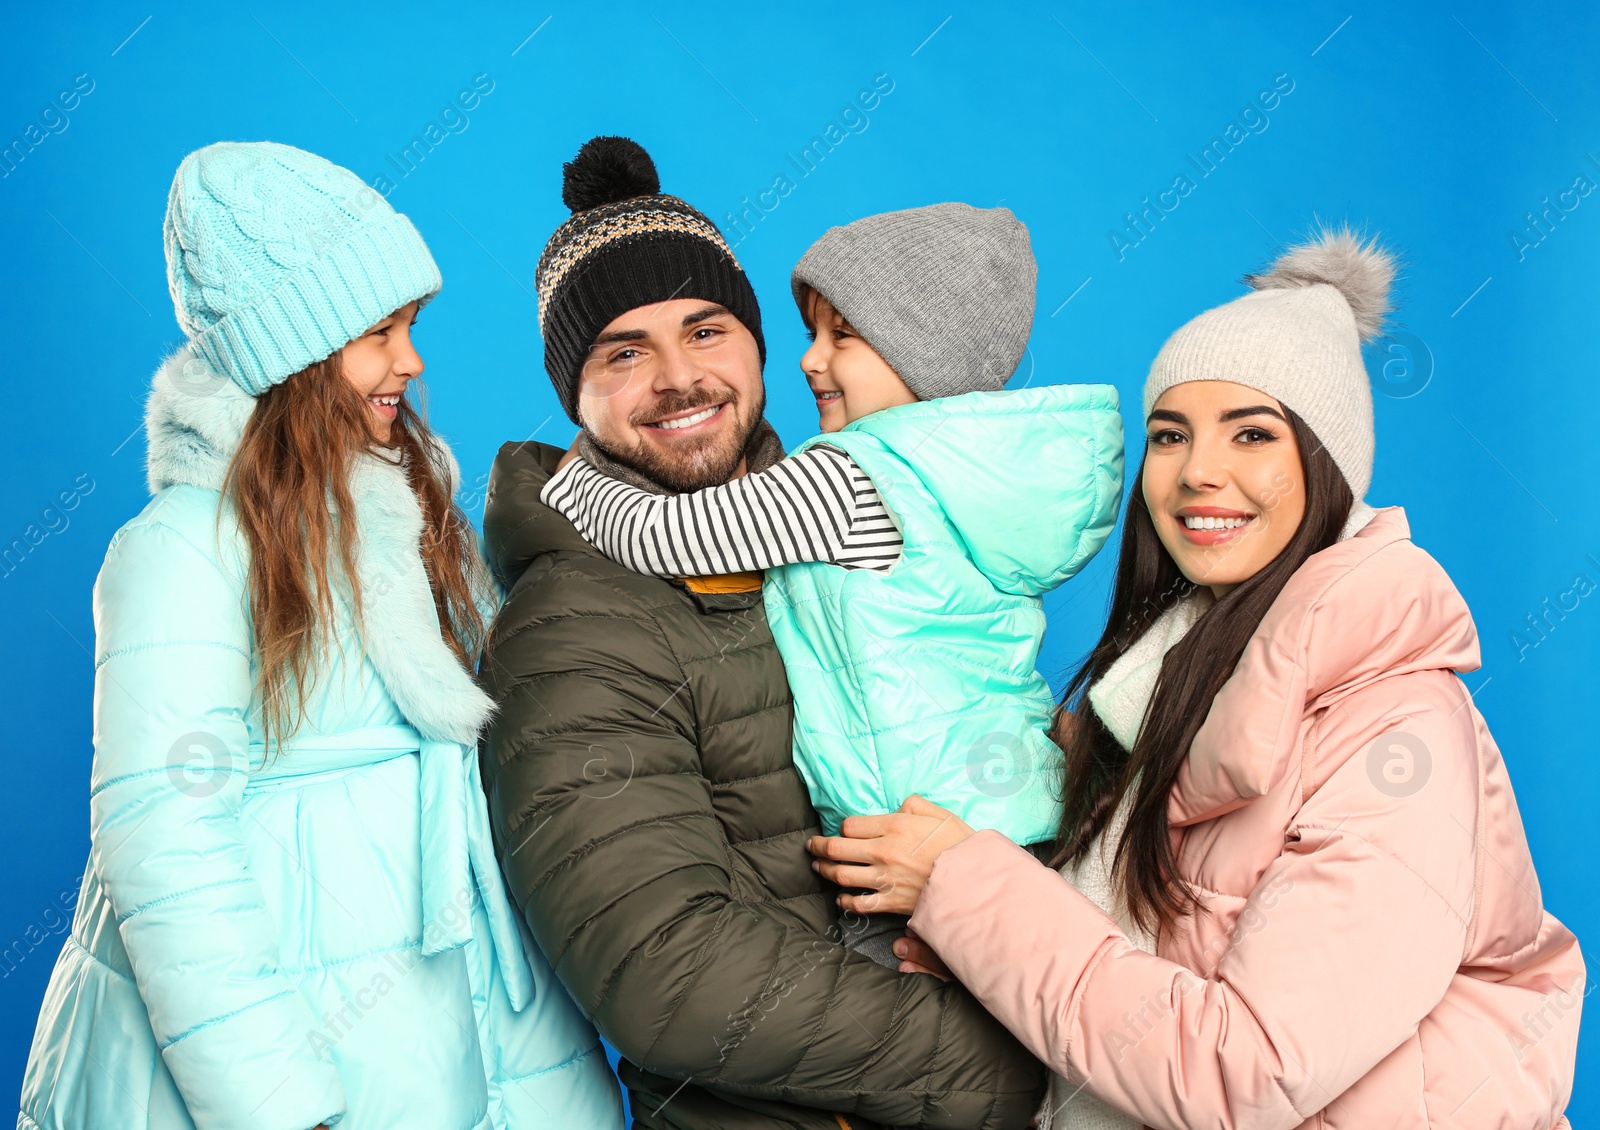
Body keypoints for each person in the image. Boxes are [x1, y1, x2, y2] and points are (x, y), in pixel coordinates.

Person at [808, 228, 1584, 1129]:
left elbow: (1244, 1075)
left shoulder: (1397, 738)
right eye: (1170, 435)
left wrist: (967, 887)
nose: (1198, 473)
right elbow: (1139, 957)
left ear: (1327, 467)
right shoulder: (1163, 682)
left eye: (1252, 434)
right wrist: (984, 946)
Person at [18, 141, 623, 1130]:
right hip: (292, 1053)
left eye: (411, 324)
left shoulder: (403, 511)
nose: (413, 359)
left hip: (442, 1026)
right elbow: (164, 844)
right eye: (380, 330)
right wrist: (275, 1101)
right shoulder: (187, 552)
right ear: (292, 353)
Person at [477, 135, 1045, 1129]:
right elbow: (669, 971)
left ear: (753, 341)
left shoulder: (837, 535)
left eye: (705, 330)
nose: (679, 378)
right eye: (623, 351)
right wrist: (1025, 1060)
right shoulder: (569, 624)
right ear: (574, 390)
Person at [540, 201, 1124, 967]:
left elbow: (666, 535)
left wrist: (571, 482)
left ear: (926, 356)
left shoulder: (850, 478)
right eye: (812, 334)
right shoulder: (974, 474)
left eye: (842, 338)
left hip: (911, 842)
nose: (810, 360)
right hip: (1008, 821)